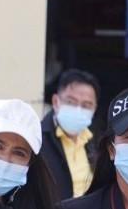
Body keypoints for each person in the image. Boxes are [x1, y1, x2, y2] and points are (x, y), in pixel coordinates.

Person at [40, 69, 99, 201]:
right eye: (71, 102)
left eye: (86, 105)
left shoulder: (97, 142)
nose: (78, 110)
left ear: (94, 109)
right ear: (56, 102)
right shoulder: (38, 140)